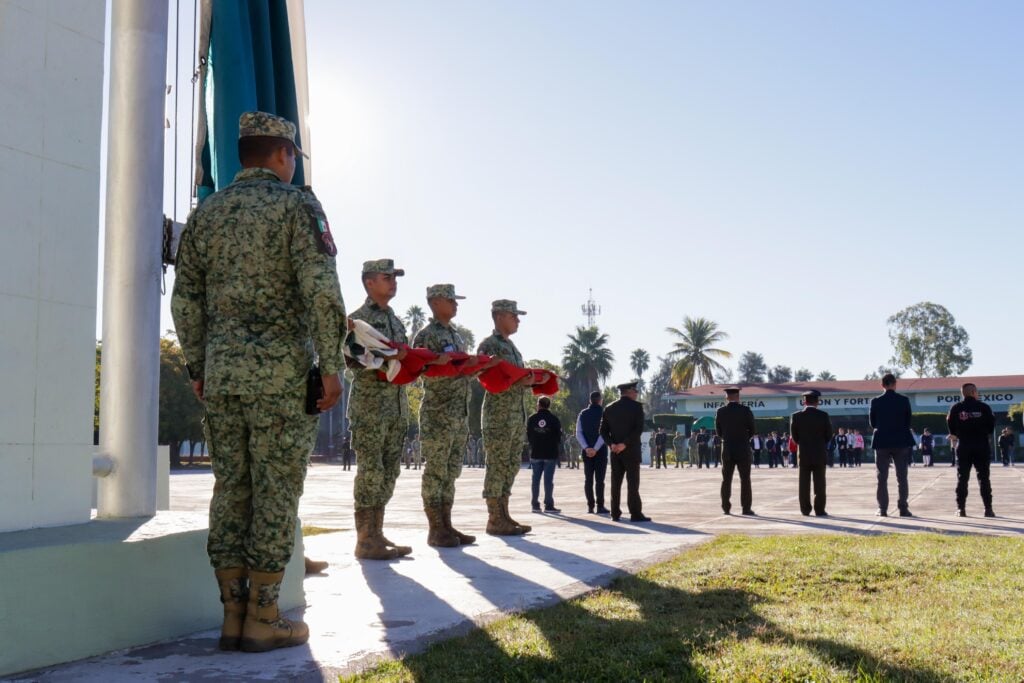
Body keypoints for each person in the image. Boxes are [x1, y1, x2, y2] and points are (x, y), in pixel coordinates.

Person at [171, 111, 346, 652]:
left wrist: (200, 367)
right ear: (282, 155)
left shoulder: (208, 214)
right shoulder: (297, 206)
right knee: (274, 493)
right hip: (279, 378)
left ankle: (232, 613)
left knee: (231, 490)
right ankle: (264, 617)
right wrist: (333, 367)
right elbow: (321, 291)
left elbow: (186, 301)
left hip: (222, 379)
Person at [347, 259, 414, 560]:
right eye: (387, 277)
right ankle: (365, 539)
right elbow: (351, 358)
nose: (393, 282)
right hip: (370, 408)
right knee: (370, 472)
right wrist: (386, 357)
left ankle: (376, 533)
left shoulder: (396, 321)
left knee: (389, 472)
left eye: (395, 277)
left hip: (396, 408)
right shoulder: (356, 320)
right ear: (369, 282)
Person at [414, 284, 478, 547]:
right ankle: (435, 528)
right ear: (436, 302)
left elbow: (459, 369)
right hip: (438, 412)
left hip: (458, 413)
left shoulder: (457, 335)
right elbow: (417, 367)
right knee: (436, 471)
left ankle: (447, 525)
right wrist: (437, 361)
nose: (456, 305)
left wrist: (474, 366)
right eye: (452, 300)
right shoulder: (426, 335)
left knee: (452, 471)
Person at [479, 299, 537, 535]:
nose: (518, 320)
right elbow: (484, 377)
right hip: (498, 416)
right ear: (500, 316)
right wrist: (517, 380)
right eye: (514, 316)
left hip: (514, 415)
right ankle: (494, 518)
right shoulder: (489, 345)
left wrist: (528, 381)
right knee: (497, 465)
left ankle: (504, 513)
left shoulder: (512, 348)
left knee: (511, 464)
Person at [600, 381, 650, 522]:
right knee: (632, 483)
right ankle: (635, 513)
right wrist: (625, 443)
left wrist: (612, 444)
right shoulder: (636, 407)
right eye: (635, 391)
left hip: (615, 451)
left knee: (615, 483)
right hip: (631, 450)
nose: (637, 393)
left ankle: (615, 513)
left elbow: (603, 431)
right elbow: (638, 430)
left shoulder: (609, 408)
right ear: (629, 391)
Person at [869, 373, 916, 517]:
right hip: (901, 441)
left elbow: (873, 423)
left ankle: (882, 509)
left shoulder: (876, 401)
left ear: (882, 385)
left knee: (882, 477)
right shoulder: (904, 400)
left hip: (882, 441)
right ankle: (903, 508)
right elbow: (908, 421)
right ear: (895, 384)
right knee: (902, 477)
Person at [947, 383, 996, 517]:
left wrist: (957, 433)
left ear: (963, 393)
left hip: (964, 445)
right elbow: (991, 427)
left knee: (962, 478)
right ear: (974, 392)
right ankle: (988, 509)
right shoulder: (984, 407)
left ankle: (961, 509)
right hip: (981, 445)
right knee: (984, 478)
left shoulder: (956, 408)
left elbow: (950, 425)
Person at [790, 390, 834, 516]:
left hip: (803, 454)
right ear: (817, 402)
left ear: (804, 402)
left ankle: (805, 509)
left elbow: (795, 438)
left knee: (803, 484)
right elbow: (829, 435)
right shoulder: (823, 416)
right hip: (819, 454)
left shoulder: (796, 416)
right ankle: (819, 510)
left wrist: (803, 444)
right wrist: (820, 444)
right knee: (820, 483)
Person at [715, 387, 756, 515]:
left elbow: (718, 432)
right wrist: (743, 439)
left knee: (726, 479)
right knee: (745, 479)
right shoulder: (745, 410)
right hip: (743, 448)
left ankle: (726, 507)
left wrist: (728, 439)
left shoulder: (721, 411)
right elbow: (753, 430)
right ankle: (746, 508)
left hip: (727, 448)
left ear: (726, 397)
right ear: (738, 397)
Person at [527, 396, 563, 512]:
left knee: (535, 481)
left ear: (539, 404)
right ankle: (548, 505)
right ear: (549, 405)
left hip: (536, 453)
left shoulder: (532, 419)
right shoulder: (554, 419)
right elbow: (558, 438)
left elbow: (529, 436)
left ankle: (535, 505)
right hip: (550, 454)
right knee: (548, 481)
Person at [577, 391, 610, 514]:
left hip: (587, 452)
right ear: (600, 400)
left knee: (588, 479)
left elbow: (578, 432)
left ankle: (590, 506)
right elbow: (605, 433)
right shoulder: (605, 414)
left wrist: (587, 448)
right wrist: (595, 448)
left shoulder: (582, 414)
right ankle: (600, 506)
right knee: (600, 480)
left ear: (590, 400)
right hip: (600, 451)